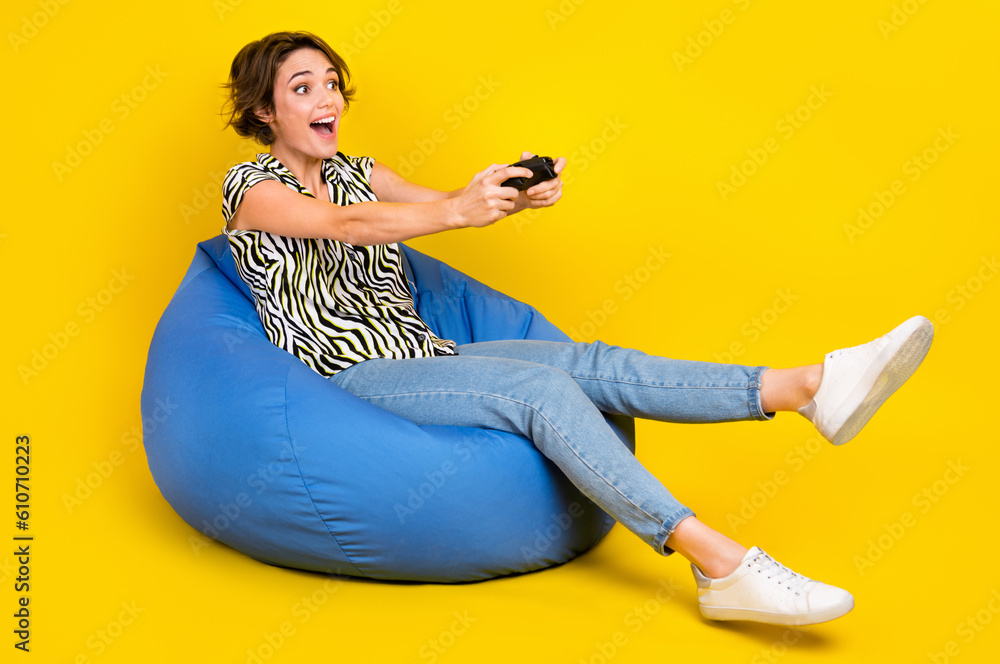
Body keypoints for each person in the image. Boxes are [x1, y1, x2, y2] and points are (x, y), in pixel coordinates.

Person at [219, 30, 933, 626]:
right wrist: (456, 211)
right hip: (351, 380)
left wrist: (511, 194)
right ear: (265, 110)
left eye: (333, 82)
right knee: (541, 393)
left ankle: (810, 386)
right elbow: (347, 225)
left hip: (425, 350)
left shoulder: (358, 170)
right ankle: (720, 564)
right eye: (304, 87)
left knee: (591, 363)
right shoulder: (252, 189)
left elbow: (441, 202)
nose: (329, 98)